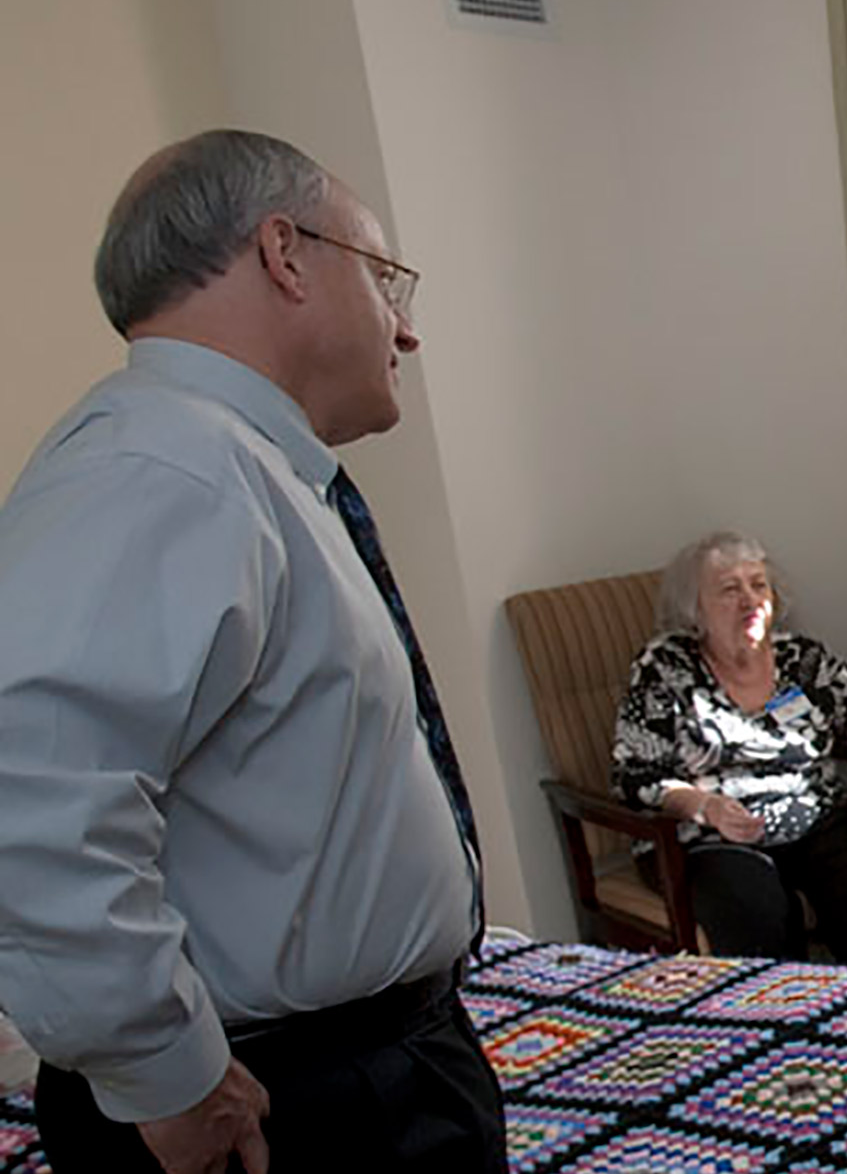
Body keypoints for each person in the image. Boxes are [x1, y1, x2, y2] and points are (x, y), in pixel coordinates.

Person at [0, 131, 501, 1172]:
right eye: (384, 277)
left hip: (366, 1065)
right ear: (285, 252)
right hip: (297, 1102)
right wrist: (165, 1071)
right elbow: (29, 798)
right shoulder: (164, 467)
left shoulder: (237, 468)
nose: (405, 330)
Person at [611, 530, 847, 967]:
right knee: (754, 906)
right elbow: (634, 775)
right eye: (729, 589)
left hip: (815, 822)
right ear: (694, 609)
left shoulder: (802, 659)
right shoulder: (665, 668)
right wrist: (703, 806)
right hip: (711, 838)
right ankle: (781, 1024)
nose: (750, 600)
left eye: (758, 584)